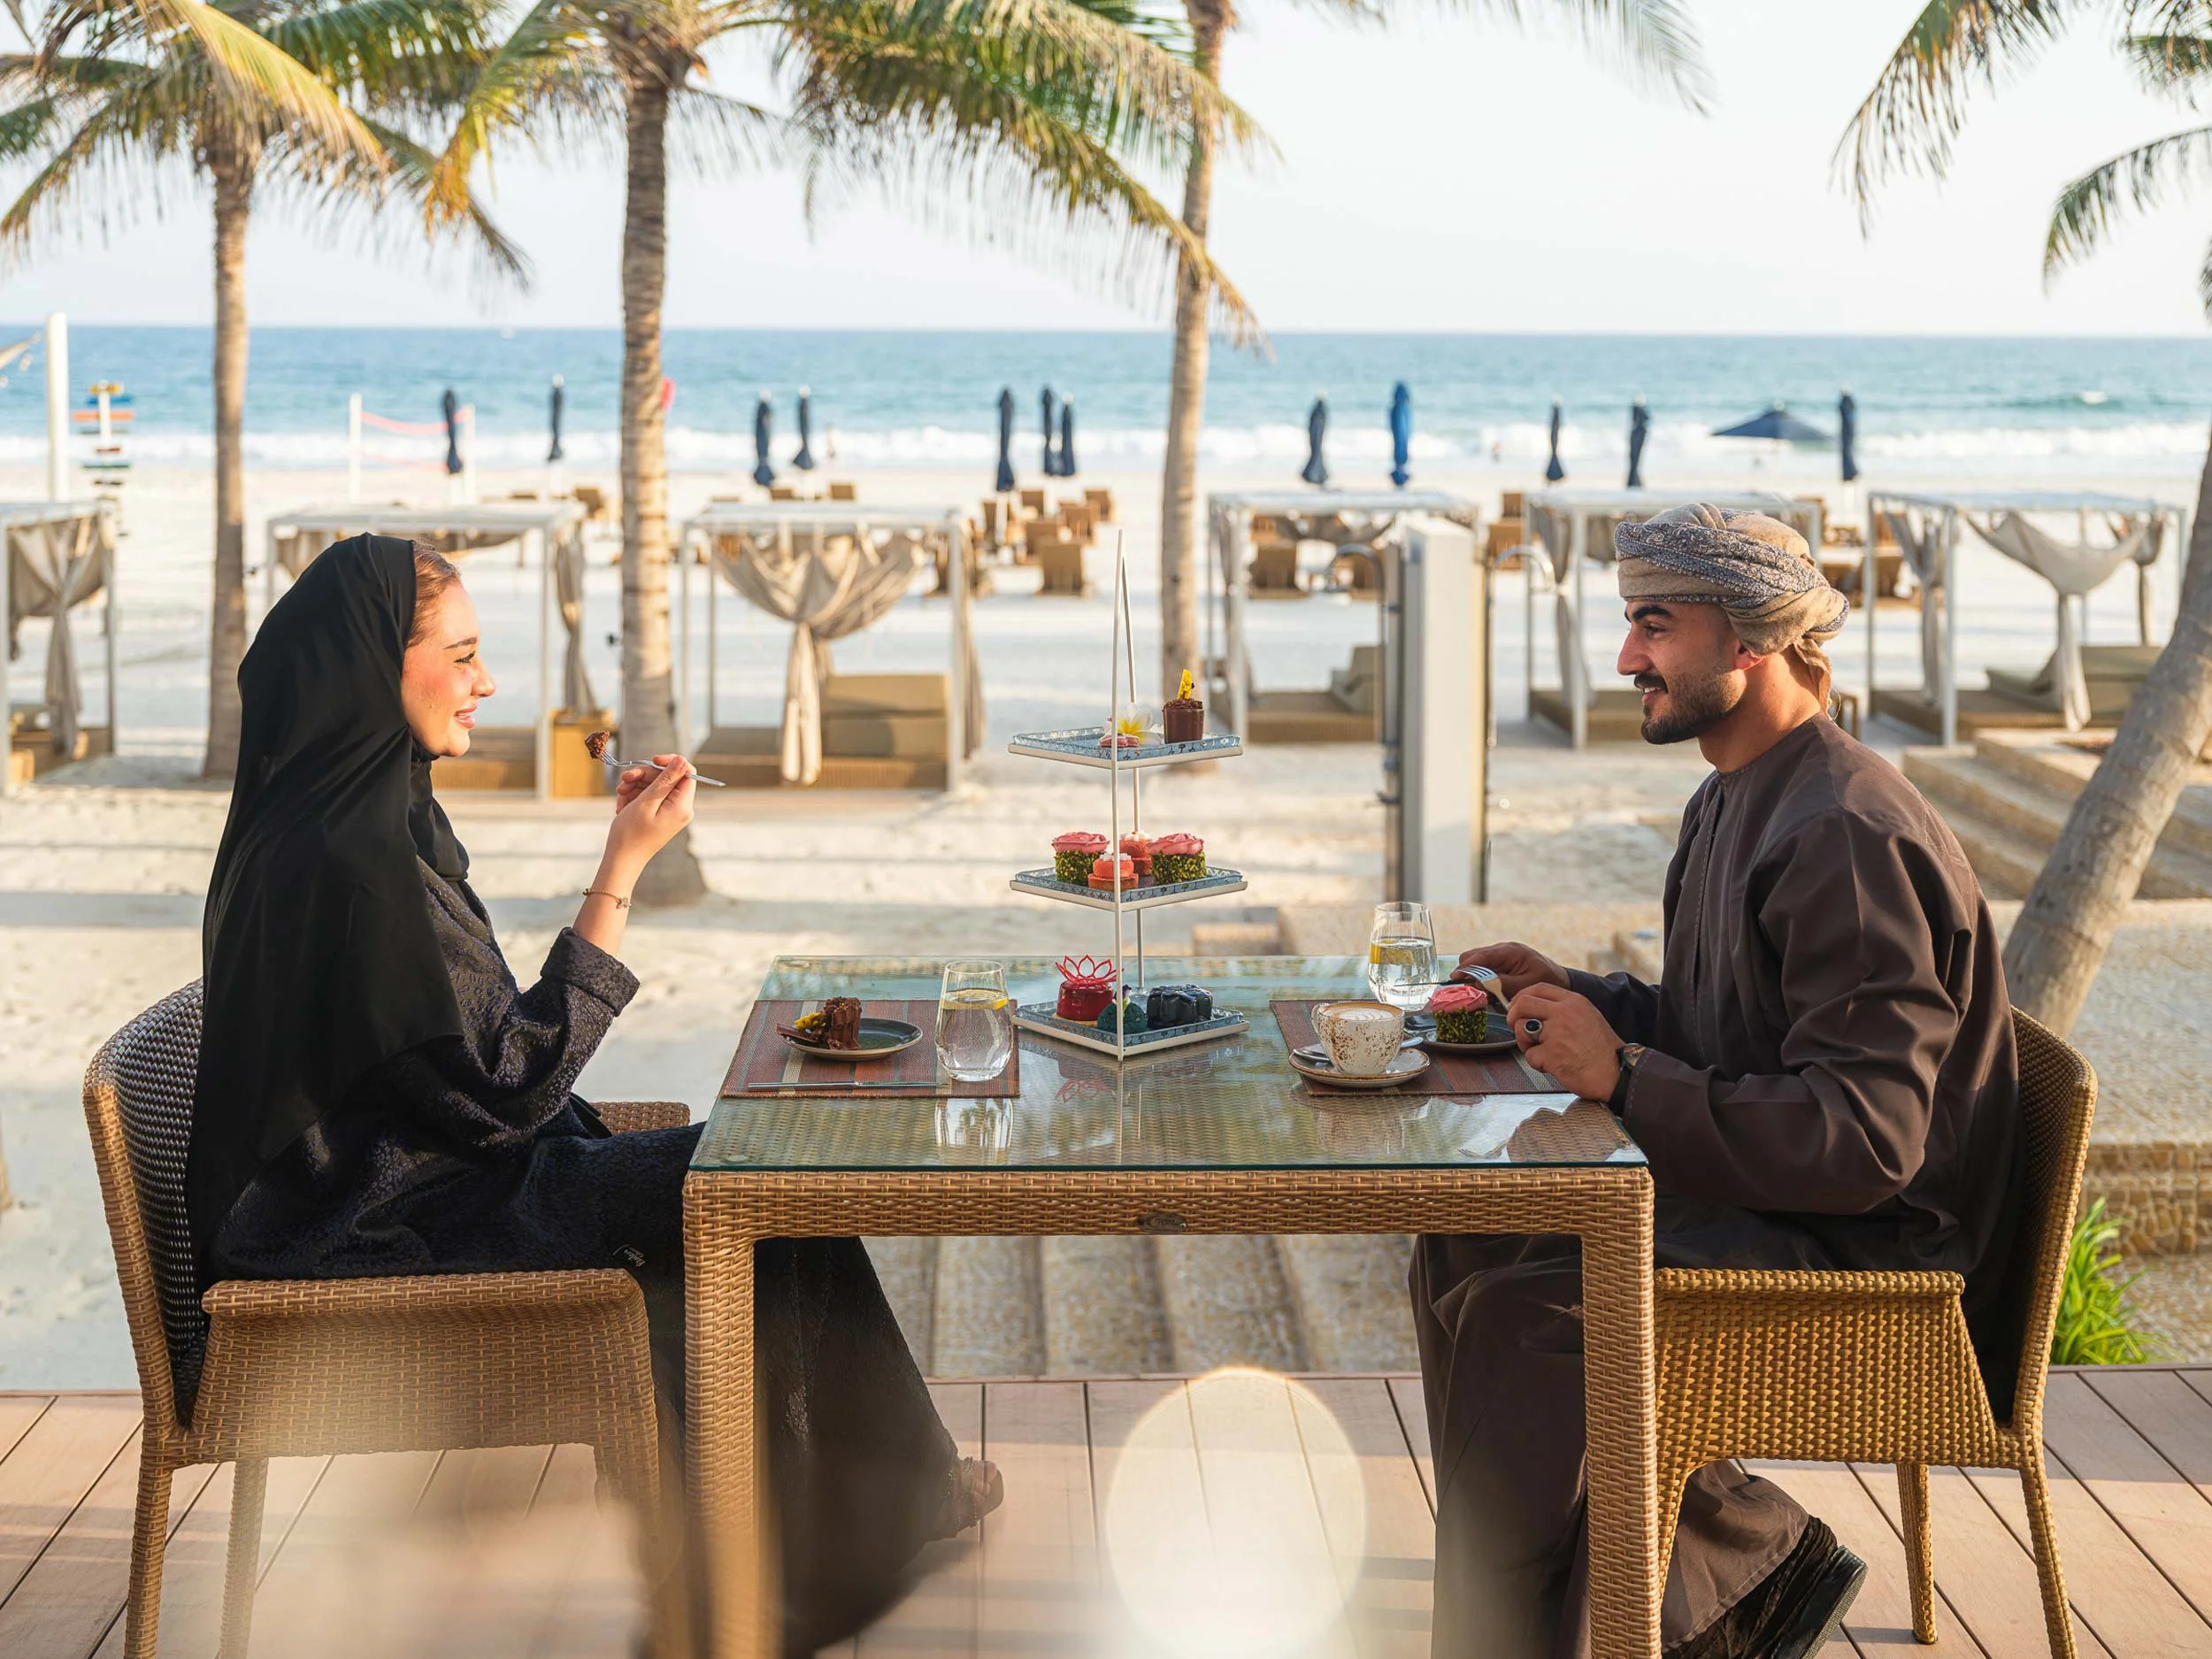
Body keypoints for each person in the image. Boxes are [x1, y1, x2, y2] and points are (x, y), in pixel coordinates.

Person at [187, 534, 998, 1655]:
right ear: (378, 671)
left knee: (744, 1173)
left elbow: (457, 1064)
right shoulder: (352, 864)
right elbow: (507, 1085)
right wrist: (622, 869)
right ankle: (853, 1519)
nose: (487, 683)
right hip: (383, 1226)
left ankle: (854, 1504)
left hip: (400, 1183)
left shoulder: (334, 823)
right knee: (750, 1182)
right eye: (461, 656)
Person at [1418, 504, 2024, 1659]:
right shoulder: (1736, 792)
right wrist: (1592, 1000)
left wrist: (1629, 1074)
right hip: (1781, 1193)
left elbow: (1865, 1136)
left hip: (1872, 1246)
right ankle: (1719, 1565)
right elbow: (1733, 1027)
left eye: (1655, 626)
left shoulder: (1843, 831)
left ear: (1750, 641)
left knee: (1522, 1316)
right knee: (1470, 1227)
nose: (1624, 659)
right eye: (1628, 623)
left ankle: (1550, 1618)